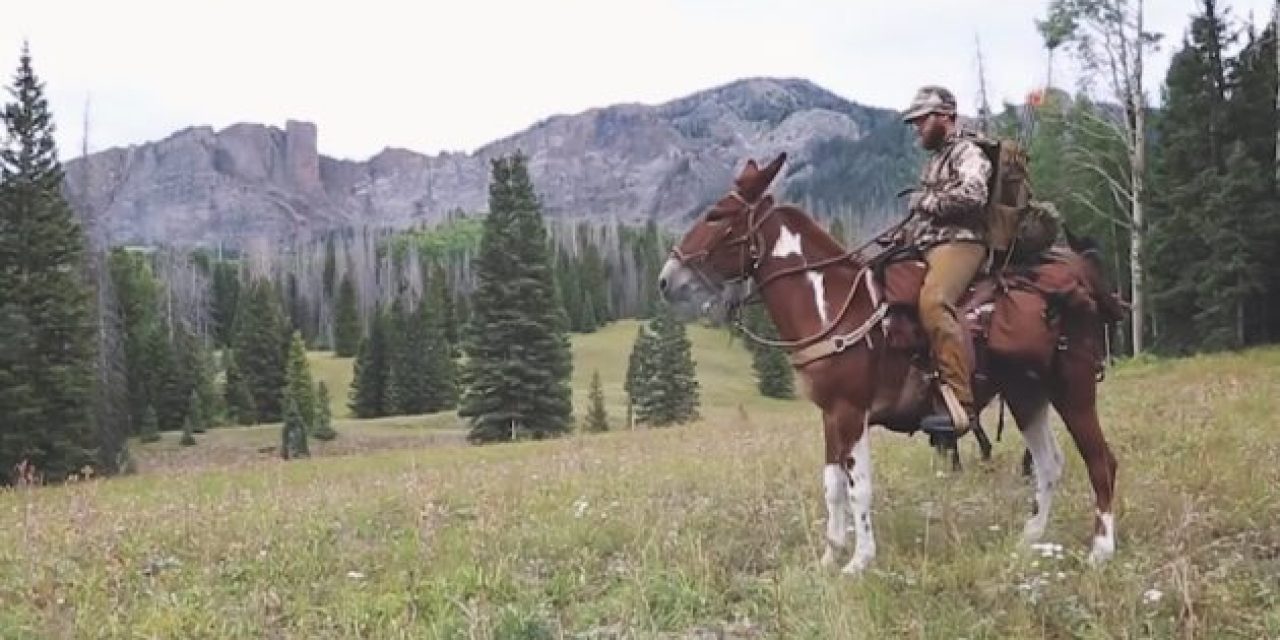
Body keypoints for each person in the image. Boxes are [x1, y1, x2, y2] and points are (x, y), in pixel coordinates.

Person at [899, 85, 992, 436]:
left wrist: (927, 202)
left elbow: (974, 193)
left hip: (962, 243)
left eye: (922, 120)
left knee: (934, 303)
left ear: (945, 117)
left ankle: (962, 403)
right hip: (929, 244)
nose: (917, 128)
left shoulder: (968, 150)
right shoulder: (936, 159)